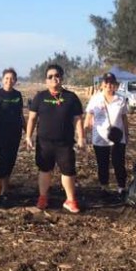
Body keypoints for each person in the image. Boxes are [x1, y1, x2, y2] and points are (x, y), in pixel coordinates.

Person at [25, 64, 85, 213]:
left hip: (65, 143)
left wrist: (81, 137)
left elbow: (77, 119)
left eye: (57, 75)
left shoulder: (71, 97)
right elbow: (32, 119)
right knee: (45, 170)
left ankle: (70, 200)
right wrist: (28, 137)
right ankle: (43, 197)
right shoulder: (40, 97)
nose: (54, 79)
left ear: (62, 78)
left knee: (68, 171)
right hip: (44, 143)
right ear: (46, 80)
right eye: (50, 76)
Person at [84, 73, 129, 199]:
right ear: (102, 84)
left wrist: (127, 133)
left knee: (119, 163)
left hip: (118, 137)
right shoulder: (95, 98)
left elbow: (124, 117)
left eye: (111, 83)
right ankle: (104, 187)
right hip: (100, 137)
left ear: (115, 85)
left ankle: (121, 187)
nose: (109, 85)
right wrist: (84, 134)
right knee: (102, 164)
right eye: (106, 83)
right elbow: (88, 116)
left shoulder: (121, 99)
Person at [0, 68, 24, 208]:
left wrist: (27, 132)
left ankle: (5, 191)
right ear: (2, 79)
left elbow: (21, 116)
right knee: (1, 163)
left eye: (12, 78)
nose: (9, 81)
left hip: (15, 134)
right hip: (1, 134)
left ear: (15, 80)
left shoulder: (18, 95)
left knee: (10, 162)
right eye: (7, 78)